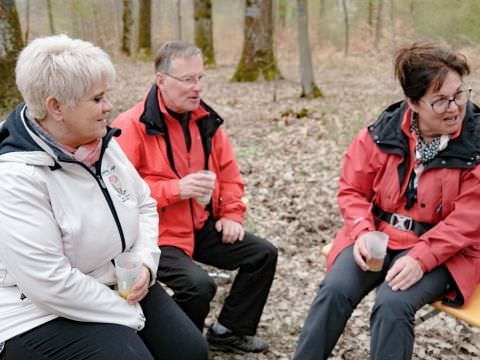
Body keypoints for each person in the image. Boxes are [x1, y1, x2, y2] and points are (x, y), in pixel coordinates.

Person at [0, 34, 208, 360]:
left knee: (190, 350)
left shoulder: (102, 144)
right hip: (37, 311)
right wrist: (129, 316)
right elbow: (49, 283)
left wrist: (144, 264)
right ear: (56, 107)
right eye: (97, 99)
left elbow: (143, 204)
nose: (109, 106)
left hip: (115, 278)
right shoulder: (16, 178)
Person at [294, 43, 480, 360]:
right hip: (380, 236)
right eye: (440, 101)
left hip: (445, 249)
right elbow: (352, 190)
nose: (454, 107)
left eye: (459, 94)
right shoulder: (382, 133)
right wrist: (362, 231)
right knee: (334, 291)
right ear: (413, 103)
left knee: (393, 304)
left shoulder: (475, 142)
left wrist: (420, 257)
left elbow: (469, 220)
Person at [113, 41, 278, 354]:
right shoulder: (130, 126)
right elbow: (119, 192)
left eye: (201, 78)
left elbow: (230, 175)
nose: (197, 87)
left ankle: (229, 330)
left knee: (262, 254)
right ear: (161, 80)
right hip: (155, 235)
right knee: (198, 285)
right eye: (188, 80)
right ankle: (176, 345)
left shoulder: (207, 121)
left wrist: (231, 214)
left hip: (200, 224)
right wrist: (176, 189)